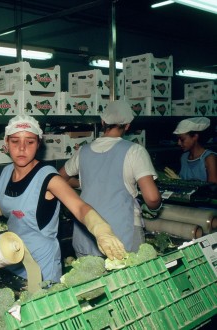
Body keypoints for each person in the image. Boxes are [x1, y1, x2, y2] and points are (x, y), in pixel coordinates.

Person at [0, 115, 126, 283]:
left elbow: (79, 207)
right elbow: (12, 207)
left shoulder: (49, 178)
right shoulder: (6, 173)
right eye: (15, 141)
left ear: (38, 144)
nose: (22, 148)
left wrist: (102, 231)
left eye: (30, 142)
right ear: (6, 143)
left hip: (41, 266)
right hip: (11, 256)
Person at [58, 100, 161, 258]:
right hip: (121, 235)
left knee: (92, 282)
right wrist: (155, 208)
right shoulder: (135, 151)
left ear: (103, 122)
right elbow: (152, 198)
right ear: (127, 125)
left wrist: (86, 184)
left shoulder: (83, 151)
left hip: (87, 234)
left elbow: (59, 179)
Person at [165, 117, 217, 183]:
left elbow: (213, 188)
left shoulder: (209, 158)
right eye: (177, 139)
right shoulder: (184, 157)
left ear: (195, 137)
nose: (178, 143)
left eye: (182, 139)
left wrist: (185, 184)